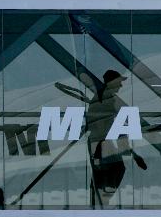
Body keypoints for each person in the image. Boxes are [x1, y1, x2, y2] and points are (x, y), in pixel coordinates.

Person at [55, 69, 146, 208]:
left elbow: (112, 124)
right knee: (114, 169)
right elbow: (111, 125)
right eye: (119, 82)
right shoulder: (106, 99)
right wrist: (130, 152)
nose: (121, 85)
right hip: (101, 143)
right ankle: (101, 202)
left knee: (107, 172)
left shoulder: (104, 98)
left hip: (100, 142)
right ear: (111, 82)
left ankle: (99, 203)